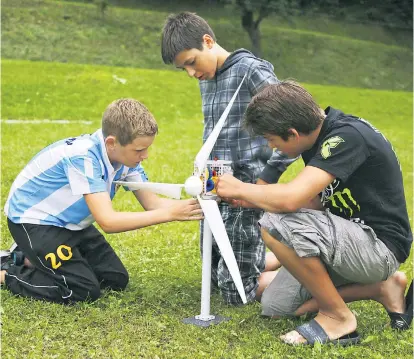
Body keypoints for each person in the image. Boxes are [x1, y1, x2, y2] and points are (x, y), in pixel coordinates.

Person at [216, 80, 413, 345]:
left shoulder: (346, 138)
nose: (273, 147)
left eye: (271, 140)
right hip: (347, 244)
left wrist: (241, 189)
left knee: (274, 221)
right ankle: (382, 287)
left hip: (378, 247)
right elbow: (311, 203)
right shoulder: (319, 138)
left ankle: (337, 316)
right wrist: (255, 199)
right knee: (275, 305)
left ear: (293, 133)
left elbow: (291, 200)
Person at [1, 98, 203, 304]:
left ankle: (26, 256)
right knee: (82, 290)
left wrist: (200, 204)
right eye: (139, 150)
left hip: (71, 224)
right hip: (35, 222)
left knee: (115, 279)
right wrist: (170, 214)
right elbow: (108, 221)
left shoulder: (126, 160)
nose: (146, 156)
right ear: (111, 143)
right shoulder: (83, 157)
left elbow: (153, 204)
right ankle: (6, 273)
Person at [161, 12, 296, 305]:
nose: (191, 73)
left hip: (244, 190)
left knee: (236, 292)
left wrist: (264, 181)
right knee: (212, 275)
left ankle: (308, 272)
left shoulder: (251, 71)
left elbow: (294, 128)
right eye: (182, 68)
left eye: (191, 63)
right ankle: (278, 260)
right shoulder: (205, 79)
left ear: (208, 41)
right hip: (212, 187)